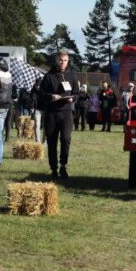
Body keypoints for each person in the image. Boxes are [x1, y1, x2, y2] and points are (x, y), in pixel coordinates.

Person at [37, 50, 78, 179]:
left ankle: (63, 166)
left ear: (68, 61)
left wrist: (73, 98)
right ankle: (54, 168)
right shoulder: (49, 76)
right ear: (56, 60)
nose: (63, 63)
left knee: (66, 139)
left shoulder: (71, 75)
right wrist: (51, 96)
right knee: (52, 142)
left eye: (65, 60)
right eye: (61, 60)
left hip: (66, 113)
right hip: (52, 114)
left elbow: (77, 93)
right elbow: (41, 94)